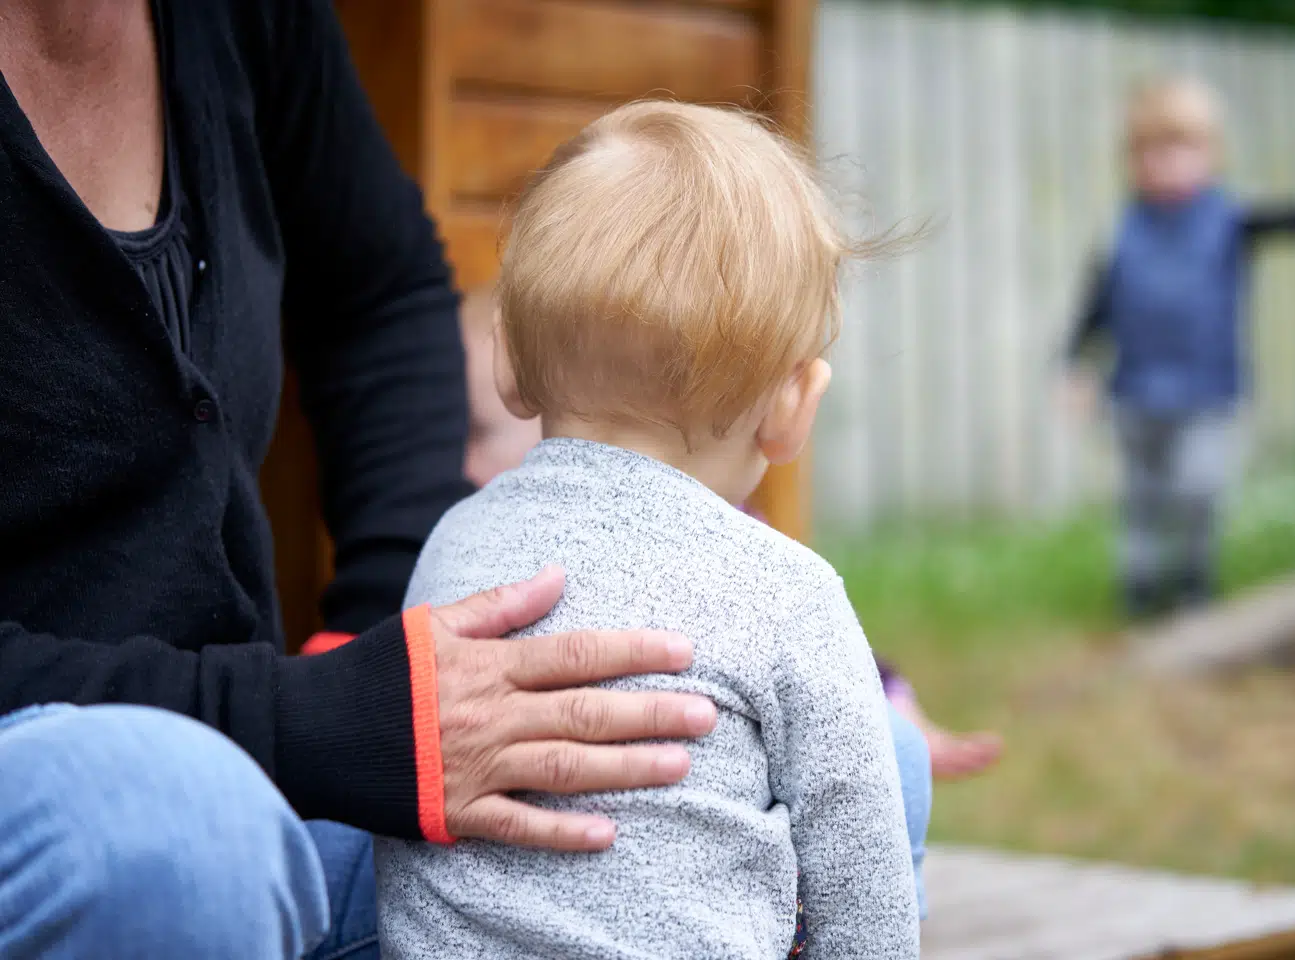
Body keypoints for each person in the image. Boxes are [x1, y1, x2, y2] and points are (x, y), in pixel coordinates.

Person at [0, 3, 720, 958]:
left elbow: (382, 294)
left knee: (773, 777)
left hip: (265, 765)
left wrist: (384, 619)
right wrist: (317, 723)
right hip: (139, 815)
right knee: (183, 842)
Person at [376, 101, 920, 959]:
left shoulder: (451, 546)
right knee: (891, 779)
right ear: (793, 410)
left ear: (507, 364)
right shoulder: (788, 593)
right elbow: (866, 898)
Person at [464, 289, 1003, 783]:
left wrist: (891, 701)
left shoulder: (738, 539)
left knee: (895, 751)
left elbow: (811, 657)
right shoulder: (475, 551)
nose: (458, 462)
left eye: (475, 434)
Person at [1064, 76, 1295, 621]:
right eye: (1152, 151)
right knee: (1143, 500)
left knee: (1197, 489)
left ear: (1210, 154)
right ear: (1132, 160)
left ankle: (1192, 584)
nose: (1167, 163)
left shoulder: (1226, 220)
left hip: (1207, 392)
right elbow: (1096, 304)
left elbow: (1287, 219)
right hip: (1136, 395)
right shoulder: (1121, 230)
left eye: (1182, 148)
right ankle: (1140, 592)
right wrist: (1077, 365)